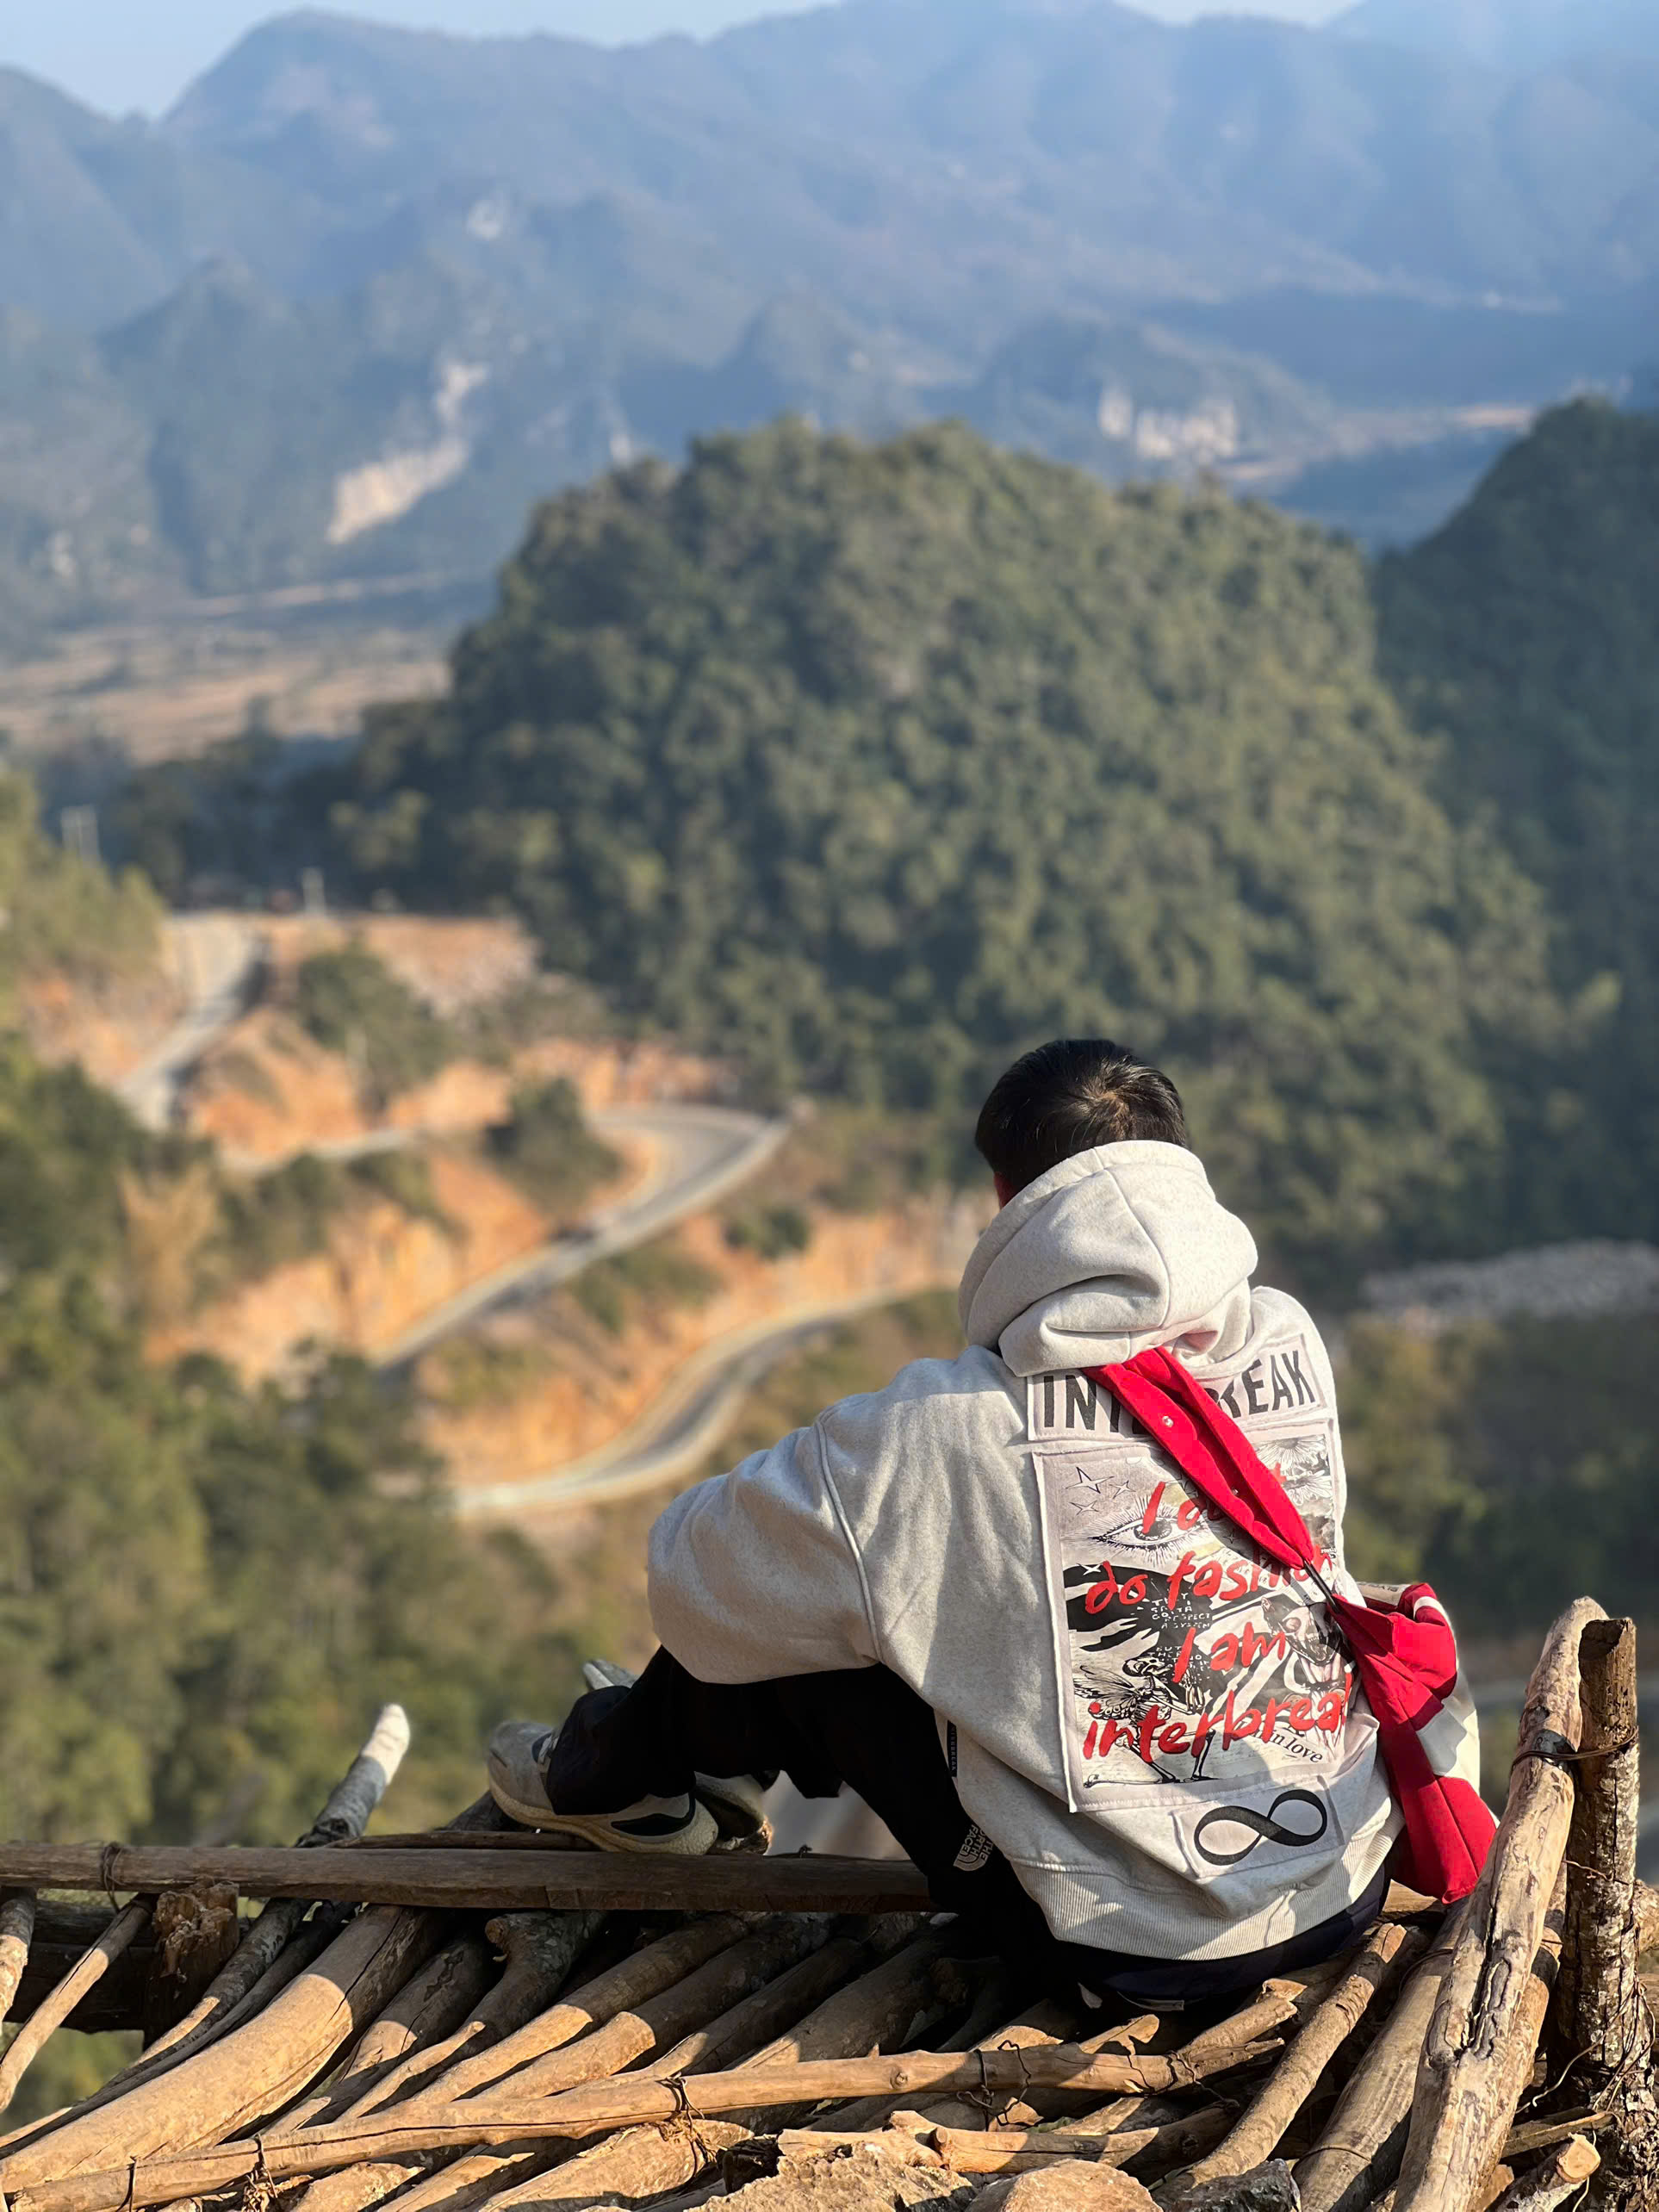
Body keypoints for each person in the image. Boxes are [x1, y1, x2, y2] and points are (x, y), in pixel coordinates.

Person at [487, 1040, 1398, 2009]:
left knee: (815, 1587)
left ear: (1007, 1201)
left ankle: (608, 1776)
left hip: (1133, 1950)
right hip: (1339, 1884)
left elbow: (690, 1576)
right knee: (888, 1584)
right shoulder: (1288, 1340)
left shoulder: (938, 1426)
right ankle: (676, 1768)